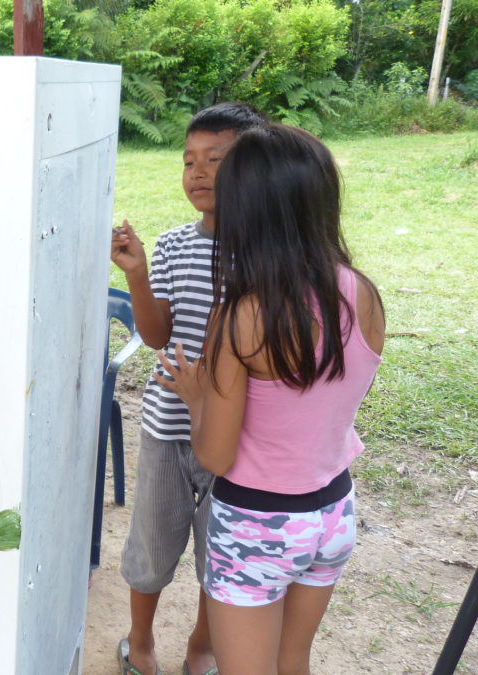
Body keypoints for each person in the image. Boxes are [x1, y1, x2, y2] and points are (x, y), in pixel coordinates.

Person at [156, 124, 385, 674]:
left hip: (260, 522)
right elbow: (323, 406)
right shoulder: (363, 293)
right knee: (293, 660)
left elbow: (214, 456)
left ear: (245, 210)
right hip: (333, 511)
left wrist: (194, 395)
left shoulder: (242, 315)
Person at [110, 102, 268, 675]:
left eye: (216, 161)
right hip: (168, 427)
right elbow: (156, 335)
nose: (197, 173)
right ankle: (142, 640)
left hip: (237, 438)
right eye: (188, 161)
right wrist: (136, 273)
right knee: (151, 549)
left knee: (218, 556)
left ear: (256, 167)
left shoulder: (268, 254)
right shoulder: (176, 245)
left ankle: (202, 647)